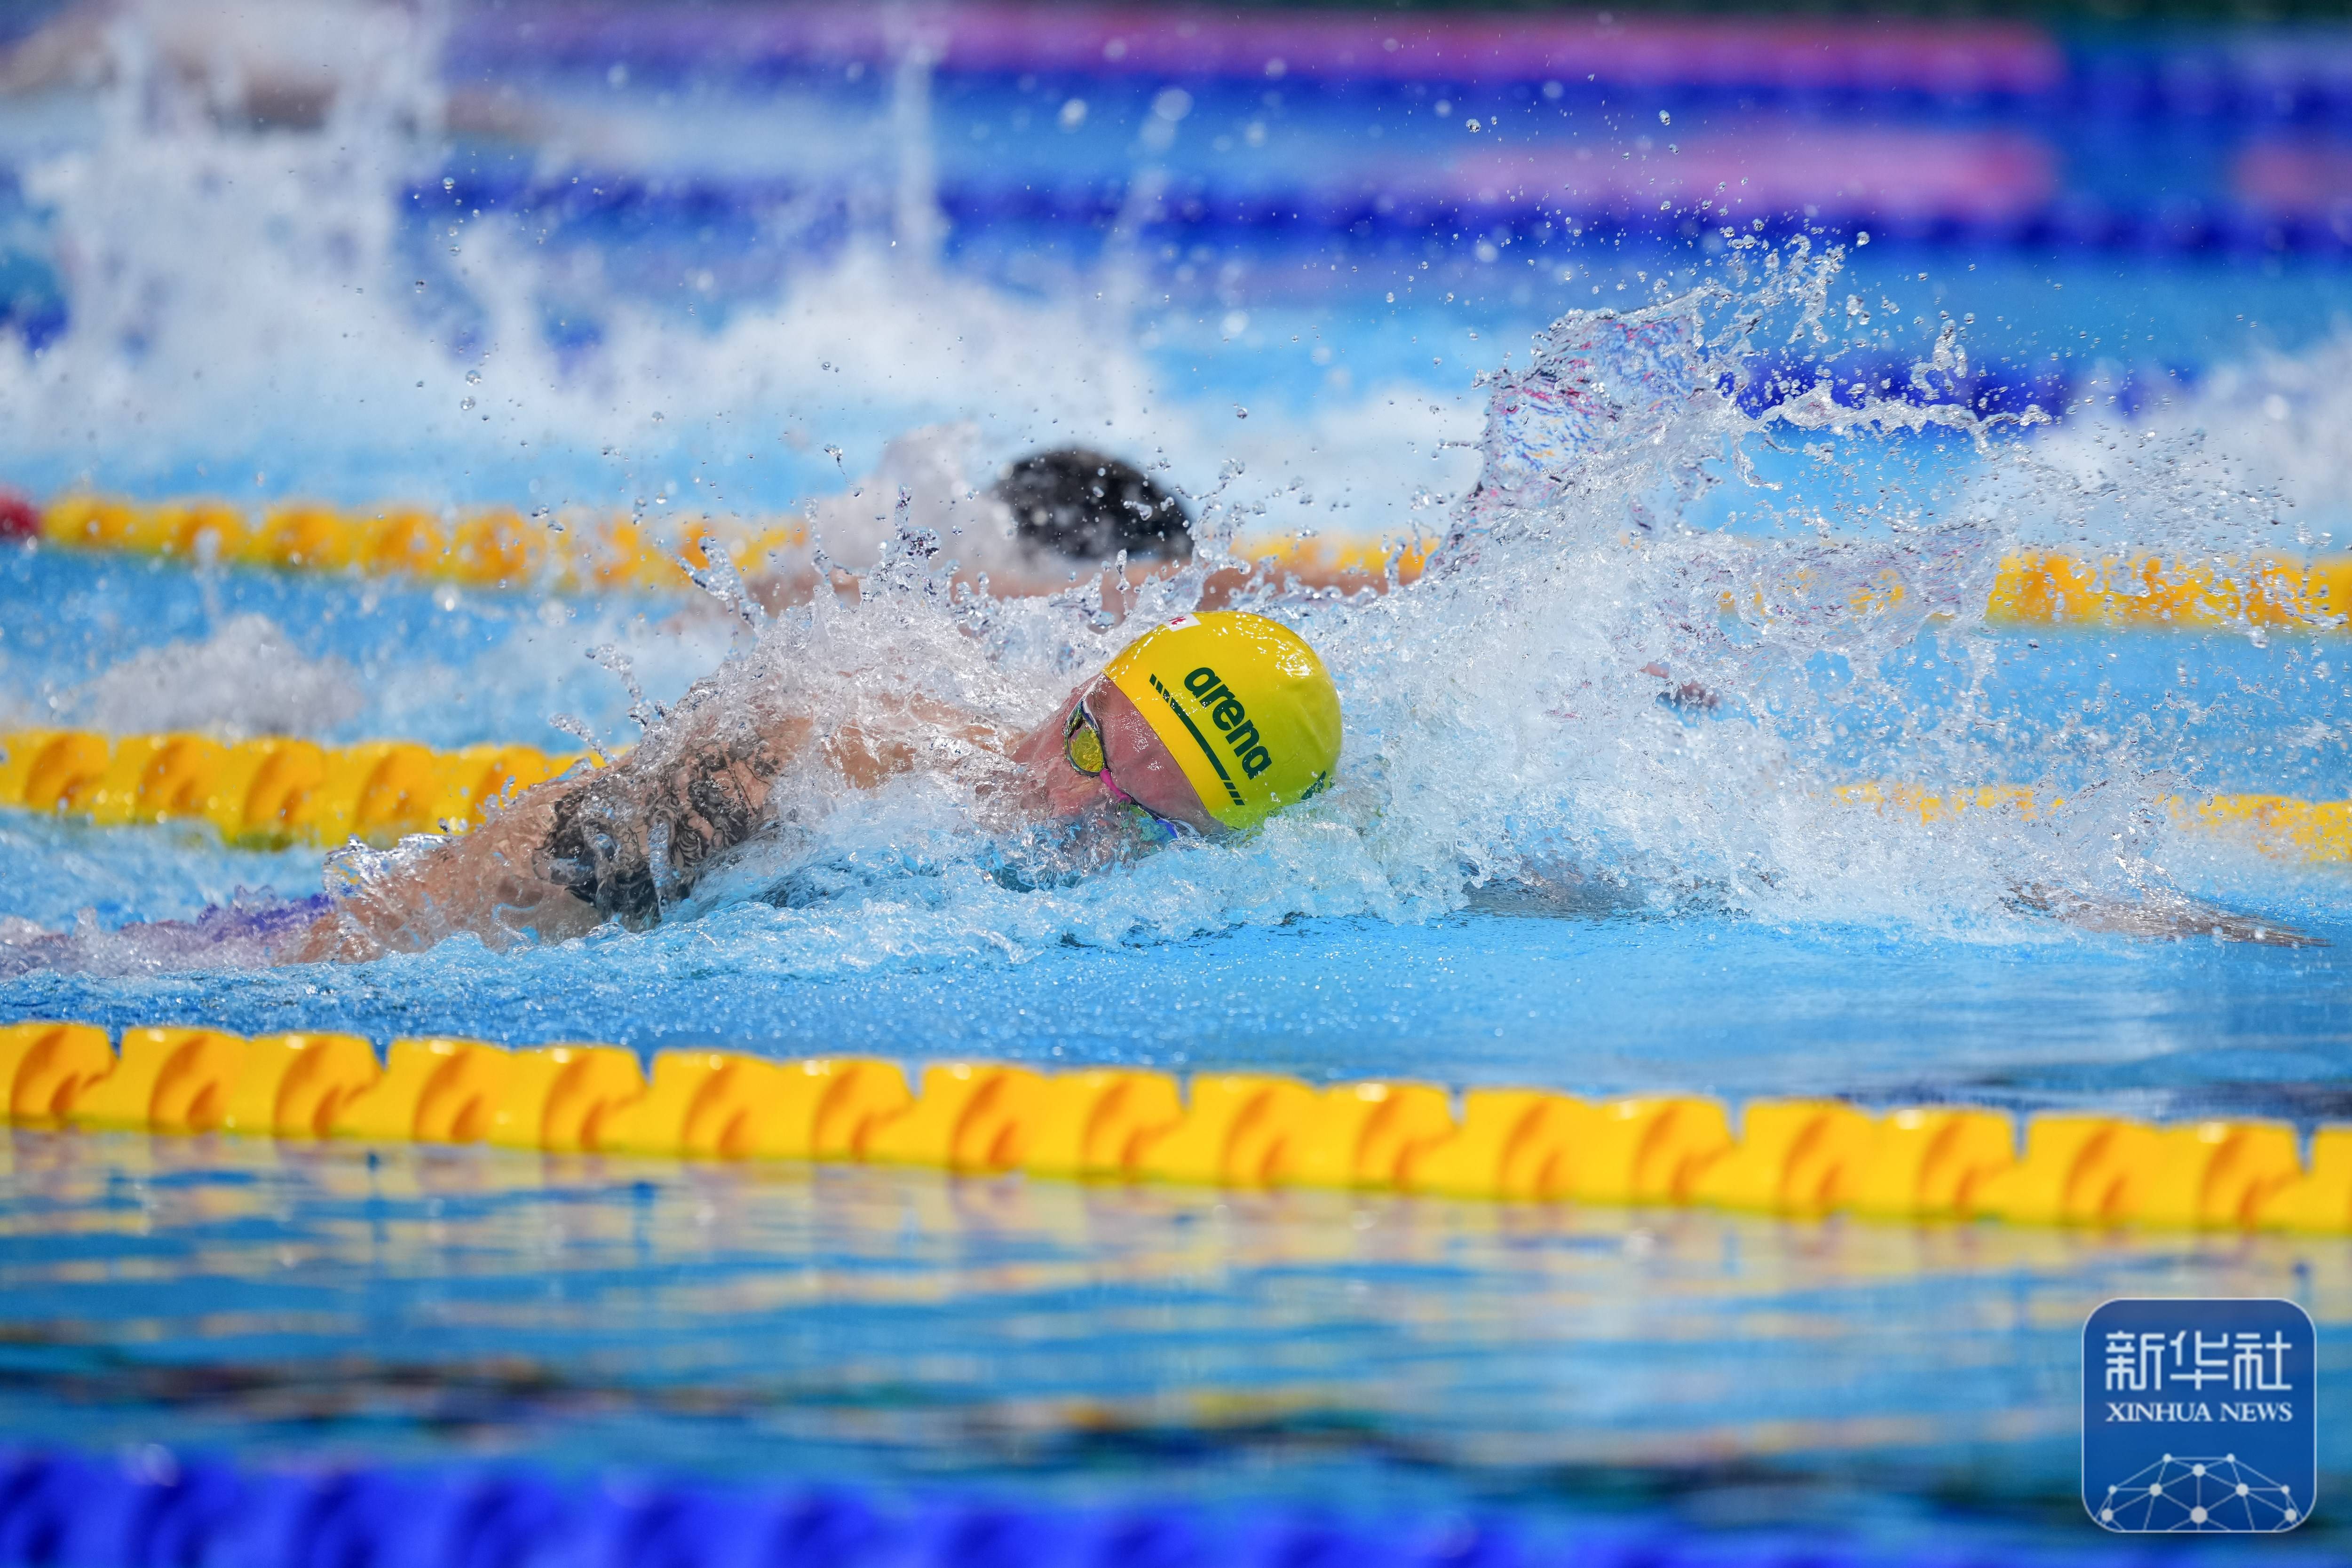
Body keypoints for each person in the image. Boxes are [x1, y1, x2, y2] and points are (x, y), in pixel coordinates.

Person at [291, 610, 1343, 961]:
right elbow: (530, 872)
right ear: (1080, 687)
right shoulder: (838, 756)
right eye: (1083, 749)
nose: (1070, 806)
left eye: (1143, 821)